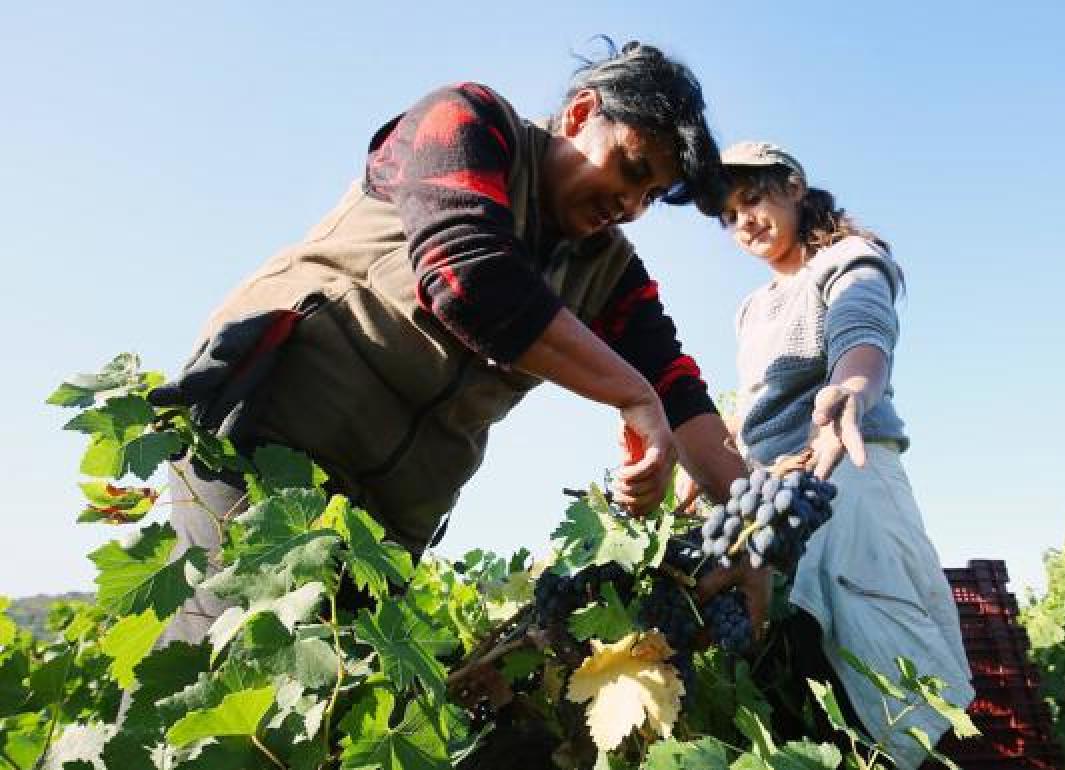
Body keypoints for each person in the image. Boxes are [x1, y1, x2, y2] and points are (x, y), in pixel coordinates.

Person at [151, 40, 756, 647]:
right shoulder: (469, 120)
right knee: (218, 664)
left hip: (387, 523)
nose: (631, 205)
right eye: (630, 169)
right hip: (266, 438)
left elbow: (678, 390)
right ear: (580, 115)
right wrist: (632, 393)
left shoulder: (608, 269)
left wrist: (752, 534)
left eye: (650, 196)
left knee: (321, 718)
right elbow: (468, 275)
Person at [714, 141, 973, 768]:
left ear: (793, 186)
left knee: (883, 668)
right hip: (774, 492)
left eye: (752, 198)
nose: (744, 221)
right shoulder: (749, 309)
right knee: (798, 668)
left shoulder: (850, 259)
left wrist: (853, 387)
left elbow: (862, 330)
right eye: (729, 215)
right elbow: (759, 405)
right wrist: (711, 454)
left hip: (848, 469)